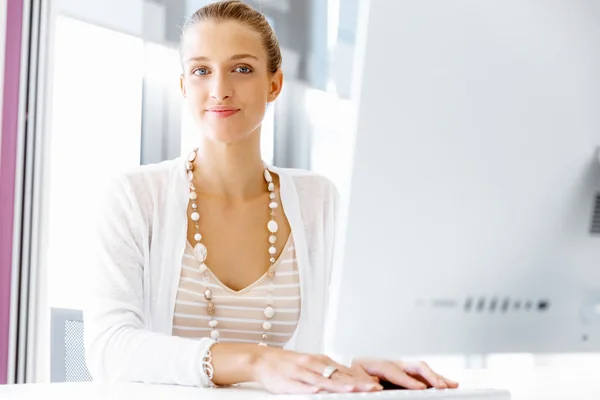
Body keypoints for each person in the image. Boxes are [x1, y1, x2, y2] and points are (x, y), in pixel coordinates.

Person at [84, 0, 459, 394]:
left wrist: (362, 358)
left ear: (275, 84)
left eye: (241, 69)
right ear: (183, 86)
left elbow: (345, 332)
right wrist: (257, 362)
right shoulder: (134, 197)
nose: (220, 90)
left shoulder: (318, 202)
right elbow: (108, 348)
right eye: (201, 71)